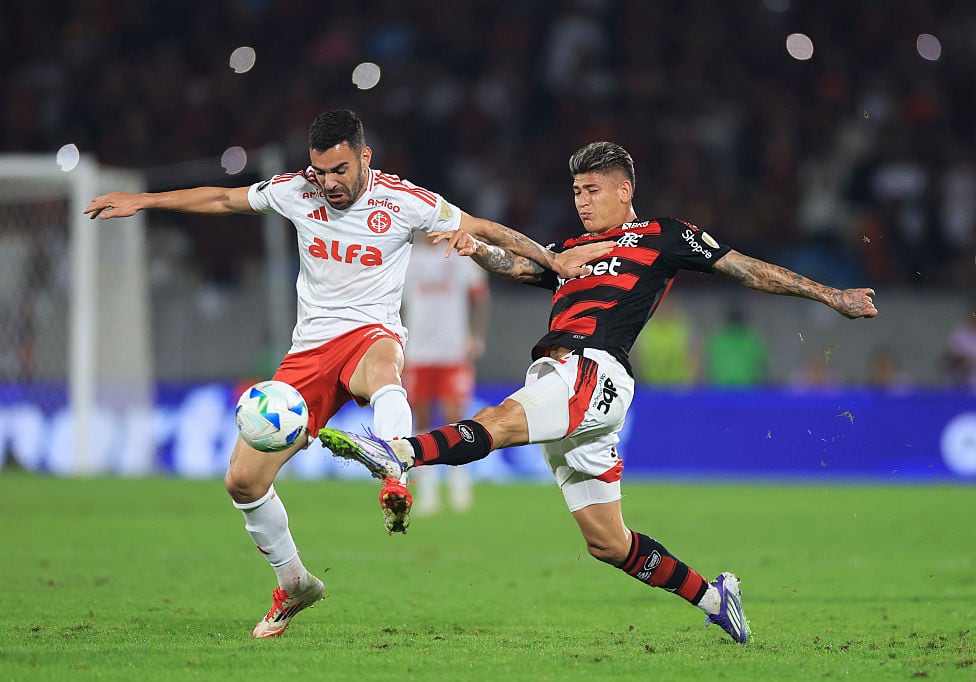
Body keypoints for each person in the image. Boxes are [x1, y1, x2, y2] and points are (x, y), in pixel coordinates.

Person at [317, 141, 878, 644]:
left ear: (624, 190)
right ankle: (715, 599)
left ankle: (400, 452)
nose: (582, 201)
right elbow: (523, 268)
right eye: (576, 191)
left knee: (500, 418)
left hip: (594, 368)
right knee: (608, 543)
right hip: (560, 376)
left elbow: (744, 269)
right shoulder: (569, 249)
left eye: (592, 190)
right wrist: (477, 250)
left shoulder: (663, 235)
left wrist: (831, 296)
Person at [82, 110, 612, 638]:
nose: (329, 183)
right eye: (321, 172)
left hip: (370, 335)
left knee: (383, 370)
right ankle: (295, 583)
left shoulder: (403, 201)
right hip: (309, 353)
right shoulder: (296, 191)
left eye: (340, 170)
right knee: (242, 482)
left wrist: (553, 261)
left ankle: (395, 468)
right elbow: (223, 198)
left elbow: (481, 227)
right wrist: (143, 202)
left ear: (364, 158)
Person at [402, 236, 489, 516]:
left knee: (456, 418)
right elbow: (396, 303)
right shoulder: (407, 257)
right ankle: (428, 490)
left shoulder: (459, 256)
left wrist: (476, 335)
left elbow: (480, 296)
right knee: (422, 419)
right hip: (417, 352)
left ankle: (459, 482)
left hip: (453, 351)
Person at [705, 307, 768, 387]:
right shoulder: (753, 340)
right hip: (747, 389)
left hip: (721, 388)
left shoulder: (716, 340)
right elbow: (761, 368)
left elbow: (709, 367)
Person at [943, 302, 976, 389]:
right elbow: (949, 359)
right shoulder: (959, 334)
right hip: (960, 382)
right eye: (973, 315)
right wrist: (961, 359)